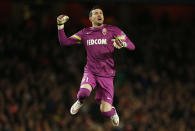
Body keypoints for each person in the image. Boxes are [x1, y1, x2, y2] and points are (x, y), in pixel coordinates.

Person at [57, 6, 135, 126]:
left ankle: (113, 111)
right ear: (90, 18)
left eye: (101, 13)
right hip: (91, 72)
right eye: (96, 13)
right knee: (83, 93)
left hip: (107, 74)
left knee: (105, 111)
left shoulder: (113, 30)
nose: (99, 15)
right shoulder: (85, 33)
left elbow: (132, 46)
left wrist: (122, 43)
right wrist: (60, 26)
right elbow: (64, 42)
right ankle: (80, 101)